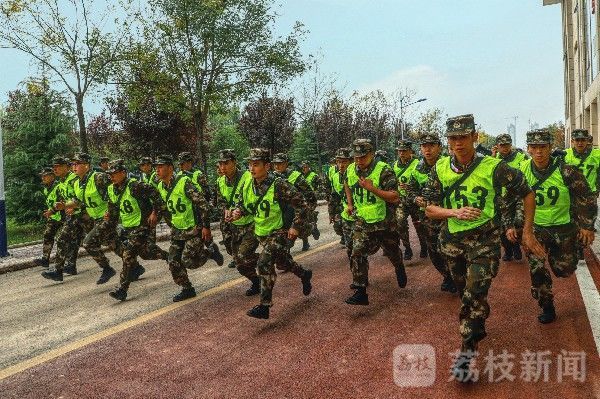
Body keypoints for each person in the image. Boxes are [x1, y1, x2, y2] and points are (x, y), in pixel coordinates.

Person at [423, 114, 545, 382]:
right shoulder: (440, 168)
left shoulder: (494, 167)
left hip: (484, 243)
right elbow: (430, 209)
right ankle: (477, 317)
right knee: (463, 289)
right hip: (452, 243)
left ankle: (466, 355)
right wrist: (454, 212)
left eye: (463, 137)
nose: (457, 143)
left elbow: (527, 192)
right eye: (452, 138)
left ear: (474, 137)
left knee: (473, 295)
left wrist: (527, 232)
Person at [510, 129, 596, 323]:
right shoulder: (521, 171)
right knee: (537, 268)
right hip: (536, 229)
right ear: (528, 149)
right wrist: (512, 226)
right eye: (534, 148)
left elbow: (586, 197)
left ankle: (564, 260)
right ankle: (547, 305)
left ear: (550, 148)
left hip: (564, 227)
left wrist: (587, 225)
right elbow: (511, 199)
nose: (539, 152)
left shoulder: (566, 170)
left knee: (564, 269)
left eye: (543, 147)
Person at [232, 148, 313, 319]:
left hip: (279, 232)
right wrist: (237, 212)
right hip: (259, 231)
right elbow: (243, 204)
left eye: (256, 165)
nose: (251, 169)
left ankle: (264, 305)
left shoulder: (279, 184)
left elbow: (302, 204)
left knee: (264, 263)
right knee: (283, 262)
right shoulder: (248, 184)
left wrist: (295, 226)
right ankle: (304, 274)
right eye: (249, 165)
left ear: (267, 166)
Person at [343, 139, 406, 305]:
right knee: (356, 250)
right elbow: (346, 184)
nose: (358, 161)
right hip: (362, 221)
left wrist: (373, 189)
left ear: (371, 154)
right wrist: (350, 204)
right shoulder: (351, 169)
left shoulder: (383, 170)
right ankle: (360, 290)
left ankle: (399, 266)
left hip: (384, 222)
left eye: (362, 157)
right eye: (356, 157)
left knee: (392, 250)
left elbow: (395, 196)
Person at [155, 154, 224, 302]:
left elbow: (203, 205)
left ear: (170, 168)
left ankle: (209, 253)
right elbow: (165, 208)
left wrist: (205, 227)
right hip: (177, 231)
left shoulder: (184, 182)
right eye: (156, 167)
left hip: (193, 230)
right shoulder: (161, 186)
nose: (157, 170)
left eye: (161, 167)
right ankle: (187, 289)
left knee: (188, 261)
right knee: (173, 261)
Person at [105, 160, 169, 301]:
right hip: (128, 228)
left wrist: (155, 212)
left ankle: (122, 289)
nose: (112, 176)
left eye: (115, 173)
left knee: (128, 254)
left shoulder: (134, 185)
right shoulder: (112, 189)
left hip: (141, 226)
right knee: (146, 253)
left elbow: (155, 192)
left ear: (123, 173)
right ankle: (168, 256)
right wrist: (109, 215)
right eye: (110, 174)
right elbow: (114, 208)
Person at [406, 133, 456, 293]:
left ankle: (457, 276)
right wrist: (416, 198)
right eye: (424, 146)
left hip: (449, 215)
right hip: (428, 217)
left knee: (451, 248)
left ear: (439, 147)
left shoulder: (450, 163)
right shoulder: (417, 169)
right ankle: (447, 276)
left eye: (431, 145)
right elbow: (410, 190)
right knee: (434, 251)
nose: (428, 149)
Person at [216, 149, 260, 296]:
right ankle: (256, 282)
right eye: (220, 163)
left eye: (226, 163)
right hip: (235, 225)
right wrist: (226, 210)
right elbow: (221, 201)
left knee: (242, 256)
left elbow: (255, 199)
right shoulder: (221, 181)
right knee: (239, 262)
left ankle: (268, 256)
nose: (223, 167)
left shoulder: (248, 177)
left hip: (251, 223)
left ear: (234, 162)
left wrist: (241, 210)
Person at [272, 153, 318, 252]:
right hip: (281, 210)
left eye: (280, 163)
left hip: (296, 208)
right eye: (275, 164)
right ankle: (286, 252)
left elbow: (309, 193)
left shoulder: (296, 176)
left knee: (302, 230)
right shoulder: (272, 177)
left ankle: (311, 228)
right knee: (285, 239)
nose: (277, 166)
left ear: (286, 164)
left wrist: (309, 209)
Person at [495, 133, 528, 261]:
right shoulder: (493, 159)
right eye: (502, 145)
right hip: (500, 198)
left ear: (511, 144)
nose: (504, 148)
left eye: (507, 145)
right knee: (502, 228)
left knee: (518, 222)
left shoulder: (521, 157)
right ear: (497, 146)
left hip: (517, 197)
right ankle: (509, 250)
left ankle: (516, 246)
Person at [393, 139, 427, 260]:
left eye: (404, 151)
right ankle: (407, 248)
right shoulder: (395, 165)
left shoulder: (418, 164)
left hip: (415, 199)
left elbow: (424, 181)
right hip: (402, 200)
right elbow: (392, 181)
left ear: (410, 151)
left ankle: (424, 246)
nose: (401, 153)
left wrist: (412, 187)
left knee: (420, 225)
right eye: (400, 151)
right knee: (400, 222)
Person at [35, 167, 63, 268]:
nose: (43, 178)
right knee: (48, 235)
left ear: (52, 176)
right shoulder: (46, 188)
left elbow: (62, 203)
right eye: (42, 176)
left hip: (64, 217)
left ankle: (69, 262)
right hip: (54, 217)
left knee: (65, 239)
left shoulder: (59, 186)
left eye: (45, 176)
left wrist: (52, 211)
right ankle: (45, 259)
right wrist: (49, 212)